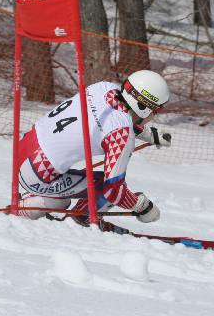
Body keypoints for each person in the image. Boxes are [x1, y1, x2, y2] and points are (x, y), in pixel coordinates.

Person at [16, 70, 171, 225]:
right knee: (104, 186)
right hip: (37, 175)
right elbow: (113, 191)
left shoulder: (104, 88)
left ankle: (33, 204)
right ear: (144, 107)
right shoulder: (122, 135)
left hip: (23, 149)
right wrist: (142, 207)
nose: (154, 116)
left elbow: (109, 118)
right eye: (156, 111)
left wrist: (149, 135)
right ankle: (79, 220)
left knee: (62, 202)